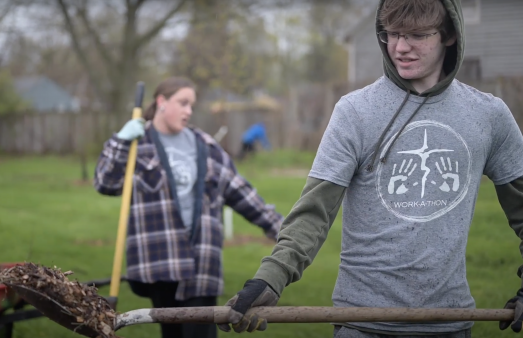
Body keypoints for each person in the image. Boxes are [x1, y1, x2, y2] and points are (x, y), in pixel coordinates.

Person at [217, 0, 523, 337]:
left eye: (418, 35)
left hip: (448, 322)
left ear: (449, 35)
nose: (401, 48)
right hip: (361, 323)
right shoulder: (355, 111)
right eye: (392, 34)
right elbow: (314, 211)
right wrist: (270, 278)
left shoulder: (488, 116)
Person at [93, 77, 284, 338]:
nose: (188, 111)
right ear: (161, 102)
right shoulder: (139, 143)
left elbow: (240, 191)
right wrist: (120, 142)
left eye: (191, 105)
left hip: (202, 264)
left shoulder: (205, 145)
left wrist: (283, 231)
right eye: (183, 103)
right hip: (160, 261)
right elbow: (106, 182)